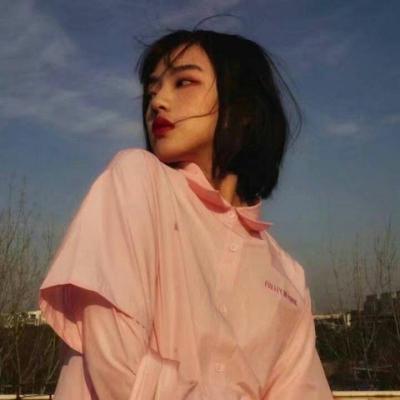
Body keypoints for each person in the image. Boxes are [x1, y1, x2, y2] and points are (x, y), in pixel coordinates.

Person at [39, 28, 333, 399]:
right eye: (152, 90)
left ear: (243, 109)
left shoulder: (288, 277)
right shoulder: (137, 179)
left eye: (184, 82)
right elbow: (119, 369)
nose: (158, 101)